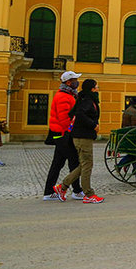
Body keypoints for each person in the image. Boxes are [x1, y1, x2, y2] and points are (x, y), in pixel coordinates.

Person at [55, 78, 104, 204]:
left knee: (83, 165)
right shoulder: (87, 100)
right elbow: (80, 114)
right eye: (96, 86)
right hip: (83, 137)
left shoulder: (83, 98)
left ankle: (63, 187)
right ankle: (88, 194)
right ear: (92, 88)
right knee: (87, 165)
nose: (98, 89)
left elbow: (73, 114)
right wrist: (93, 125)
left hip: (81, 136)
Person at [42, 71, 84, 201]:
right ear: (68, 82)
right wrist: (71, 133)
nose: (77, 82)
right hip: (63, 134)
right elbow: (65, 119)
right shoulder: (63, 97)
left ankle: (49, 192)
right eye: (75, 80)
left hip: (61, 134)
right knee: (74, 162)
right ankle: (76, 191)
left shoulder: (68, 95)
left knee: (58, 163)